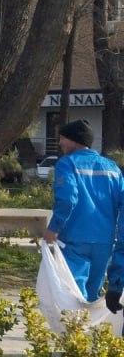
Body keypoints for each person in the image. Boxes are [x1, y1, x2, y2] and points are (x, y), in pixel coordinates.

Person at [43, 120, 124, 303]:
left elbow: (67, 198)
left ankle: (75, 330)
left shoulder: (67, 163)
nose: (60, 143)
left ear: (74, 140)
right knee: (92, 295)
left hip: (74, 240)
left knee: (74, 295)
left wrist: (53, 228)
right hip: (104, 242)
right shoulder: (112, 168)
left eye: (62, 138)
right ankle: (89, 330)